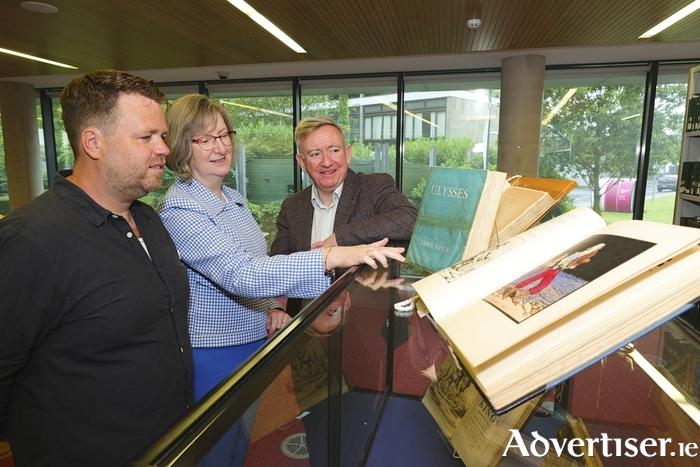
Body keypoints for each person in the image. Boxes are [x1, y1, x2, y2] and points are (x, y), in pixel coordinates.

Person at [158, 94, 406, 403]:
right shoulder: (181, 209)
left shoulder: (234, 200)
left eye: (223, 136)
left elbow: (258, 268)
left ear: (349, 153)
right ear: (183, 147)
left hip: (260, 339)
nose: (220, 147)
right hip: (217, 351)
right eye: (205, 140)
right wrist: (329, 257)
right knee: (221, 447)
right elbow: (243, 274)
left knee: (246, 444)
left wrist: (271, 307)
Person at [0, 70, 192, 466]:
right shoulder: (30, 241)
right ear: (93, 142)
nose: (163, 149)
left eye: (163, 135)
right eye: (146, 137)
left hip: (168, 445)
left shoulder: (150, 221)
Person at [270, 116, 417, 314]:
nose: (327, 162)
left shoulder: (373, 188)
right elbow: (275, 270)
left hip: (365, 317)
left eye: (334, 150)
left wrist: (340, 238)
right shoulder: (292, 207)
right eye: (315, 154)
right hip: (303, 321)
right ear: (302, 163)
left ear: (347, 154)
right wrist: (312, 262)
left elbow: (410, 219)